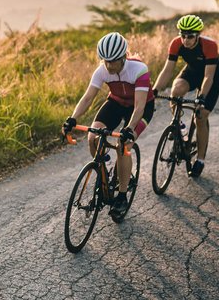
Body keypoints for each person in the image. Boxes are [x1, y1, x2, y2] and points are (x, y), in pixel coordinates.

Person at [62, 32, 155, 216]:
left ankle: (121, 195)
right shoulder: (102, 70)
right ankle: (103, 177)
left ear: (123, 57)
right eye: (105, 61)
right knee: (93, 138)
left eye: (113, 61)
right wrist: (72, 119)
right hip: (116, 102)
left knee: (124, 145)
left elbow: (139, 107)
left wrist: (128, 129)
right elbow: (88, 97)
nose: (109, 65)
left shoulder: (139, 70)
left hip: (140, 107)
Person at [152, 15, 219, 177]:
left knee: (201, 116)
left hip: (211, 75)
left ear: (198, 35)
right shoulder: (176, 44)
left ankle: (200, 160)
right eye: (182, 35)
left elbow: (208, 77)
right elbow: (167, 70)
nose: (186, 40)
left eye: (190, 36)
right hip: (192, 71)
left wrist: (202, 96)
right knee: (176, 91)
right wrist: (155, 91)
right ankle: (179, 128)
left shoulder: (210, 46)